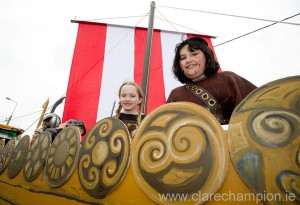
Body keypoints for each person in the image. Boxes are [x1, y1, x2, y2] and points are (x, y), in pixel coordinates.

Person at [167, 36, 257, 125]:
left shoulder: (227, 79)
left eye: (194, 54)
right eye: (183, 58)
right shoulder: (175, 95)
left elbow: (258, 109)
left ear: (206, 56)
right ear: (179, 64)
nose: (188, 60)